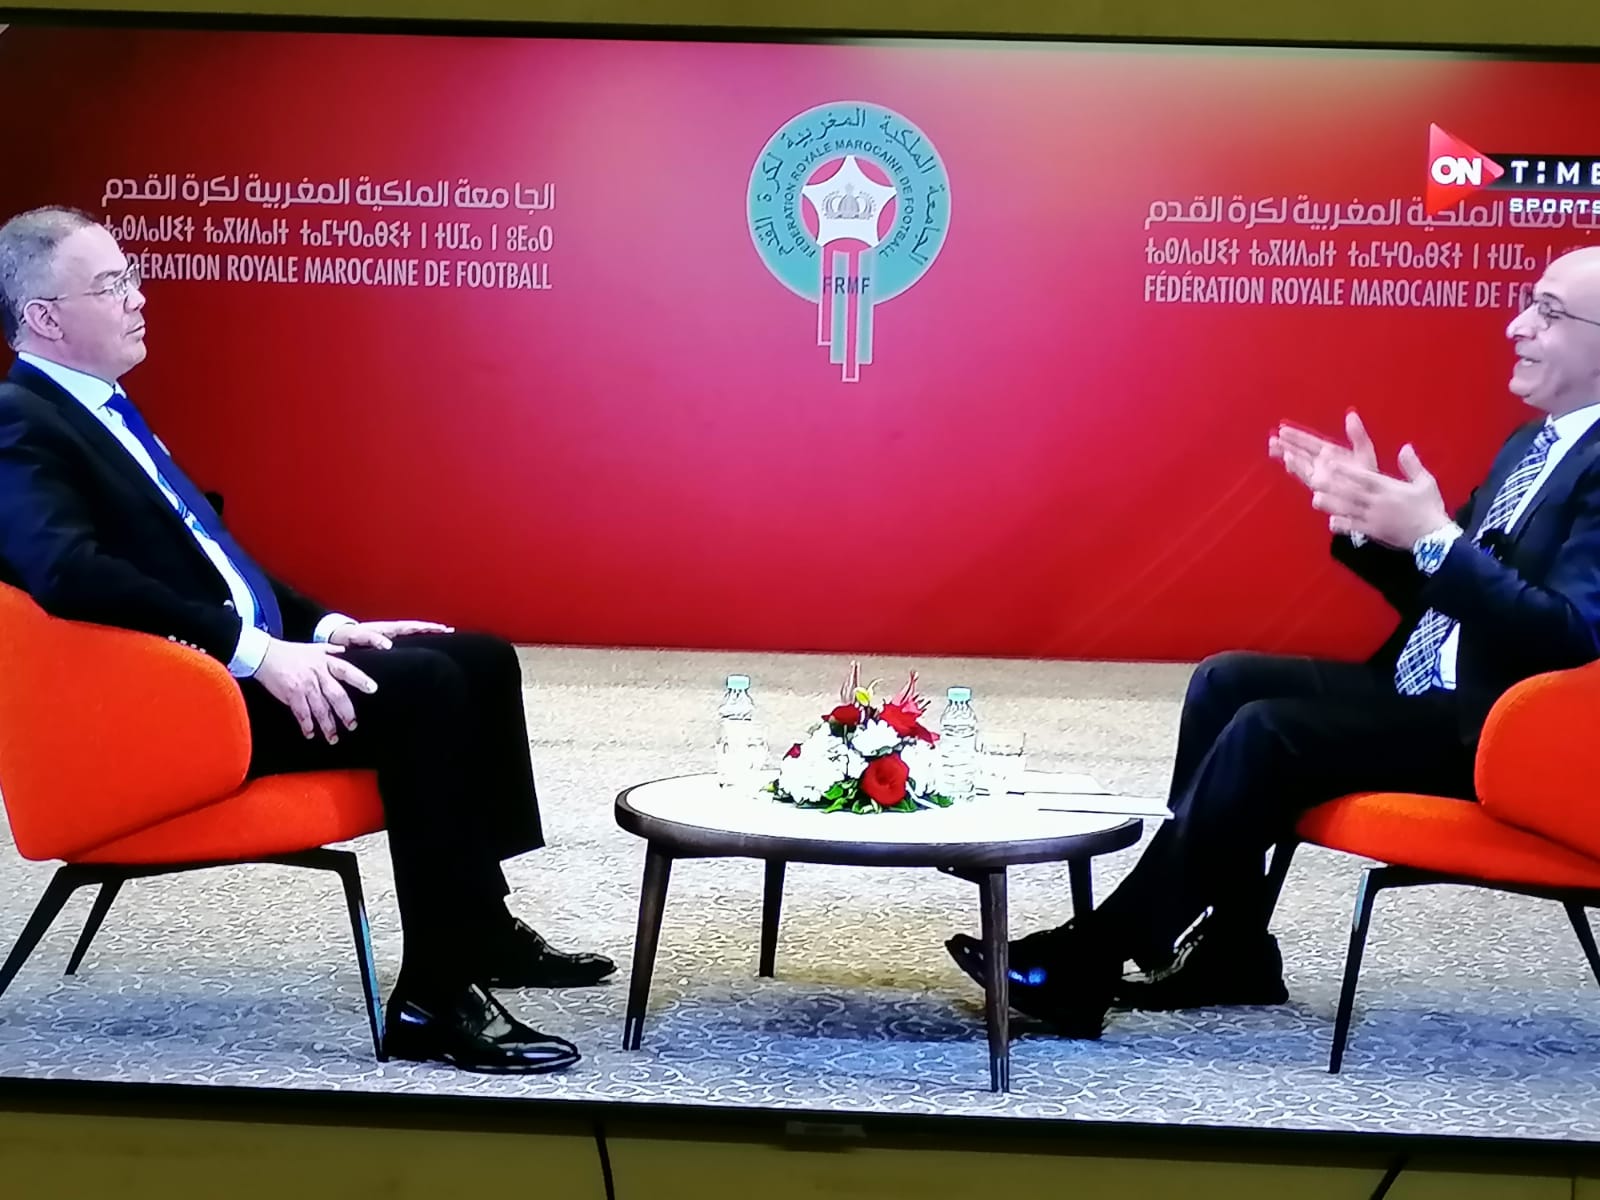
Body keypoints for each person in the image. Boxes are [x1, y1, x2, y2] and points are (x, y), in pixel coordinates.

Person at [0, 206, 615, 1074]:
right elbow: (69, 574)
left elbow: (214, 561)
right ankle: (436, 998)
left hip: (212, 672)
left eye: (131, 275)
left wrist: (325, 627)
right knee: (426, 691)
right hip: (173, 710)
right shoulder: (20, 420)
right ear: (44, 318)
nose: (139, 297)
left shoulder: (102, 411)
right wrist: (259, 656)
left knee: (479, 659)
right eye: (111, 285)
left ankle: (482, 928)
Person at [946, 246, 1600, 1037]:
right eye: (1527, 304)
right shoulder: (1531, 446)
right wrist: (1373, 530)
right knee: (1227, 681)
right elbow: (1454, 596)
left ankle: (1095, 953)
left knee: (1270, 732)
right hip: (1428, 689)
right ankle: (1234, 949)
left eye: (1548, 313)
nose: (1517, 326)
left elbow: (1571, 638)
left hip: (1501, 736)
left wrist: (1434, 538)